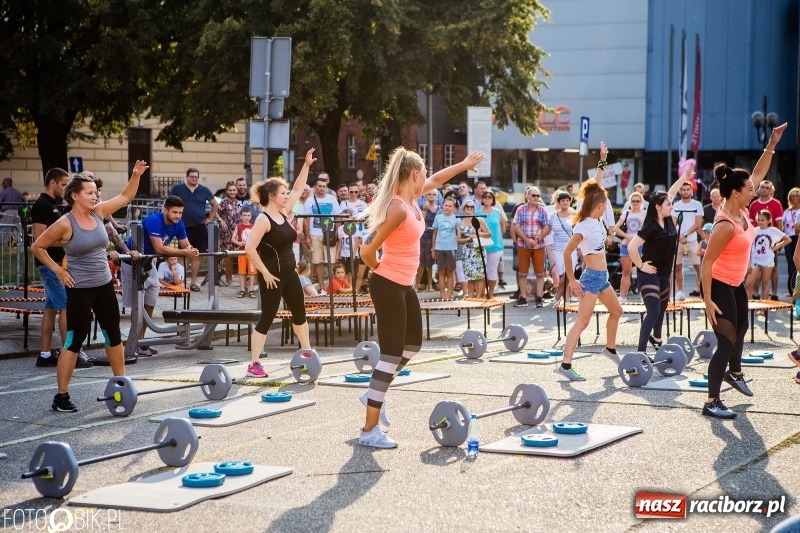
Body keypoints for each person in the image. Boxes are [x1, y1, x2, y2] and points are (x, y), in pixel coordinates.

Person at [357, 147, 484, 448]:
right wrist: (380, 269)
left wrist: (464, 164)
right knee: (390, 355)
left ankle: (376, 390)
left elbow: (438, 178)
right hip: (389, 284)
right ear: (414, 174)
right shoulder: (398, 208)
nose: (427, 176)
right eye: (424, 172)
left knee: (412, 345)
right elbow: (366, 251)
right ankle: (369, 430)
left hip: (404, 285)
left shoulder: (412, 199)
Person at [31, 161, 147, 412]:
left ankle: (121, 384)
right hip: (79, 289)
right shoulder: (65, 223)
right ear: (75, 195)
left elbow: (126, 196)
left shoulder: (98, 212)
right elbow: (37, 246)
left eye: (96, 192)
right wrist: (58, 270)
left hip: (103, 285)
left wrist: (136, 175)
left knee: (112, 334)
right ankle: (61, 396)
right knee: (74, 340)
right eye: (90, 192)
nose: (95, 196)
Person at [700, 122, 786, 419]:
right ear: (736, 193)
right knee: (725, 342)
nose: (754, 191)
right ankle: (711, 401)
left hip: (736, 283)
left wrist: (772, 143)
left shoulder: (741, 210)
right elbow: (706, 263)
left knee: (742, 329)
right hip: (719, 284)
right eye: (749, 189)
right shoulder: (725, 224)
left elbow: (758, 173)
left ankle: (734, 373)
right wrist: (707, 300)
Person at [244, 149, 316, 378]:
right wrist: (265, 273)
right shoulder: (263, 219)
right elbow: (249, 249)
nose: (286, 196)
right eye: (282, 193)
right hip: (272, 276)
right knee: (267, 317)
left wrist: (306, 165)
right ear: (272, 196)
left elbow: (298, 189)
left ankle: (307, 353)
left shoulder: (284, 212)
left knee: (300, 313)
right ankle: (254, 363)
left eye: (286, 193)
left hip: (290, 273)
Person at [556, 144, 623, 382]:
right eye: (605, 203)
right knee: (582, 323)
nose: (606, 205)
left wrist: (603, 159)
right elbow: (567, 252)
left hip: (602, 278)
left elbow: (596, 184)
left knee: (617, 311)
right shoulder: (584, 225)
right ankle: (565, 365)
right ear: (600, 205)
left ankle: (610, 349)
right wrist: (572, 281)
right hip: (590, 278)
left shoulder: (597, 219)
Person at [627, 165, 695, 354]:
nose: (671, 206)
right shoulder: (650, 227)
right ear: (658, 207)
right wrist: (641, 265)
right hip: (649, 273)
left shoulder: (667, 220)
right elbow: (632, 247)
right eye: (668, 205)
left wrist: (685, 176)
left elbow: (671, 192)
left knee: (662, 309)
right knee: (654, 311)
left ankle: (656, 339)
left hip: (664, 273)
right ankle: (640, 353)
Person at [121, 195, 200, 355]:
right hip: (132, 262)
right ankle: (133, 342)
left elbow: (185, 244)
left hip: (149, 262)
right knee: (137, 303)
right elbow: (160, 249)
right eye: (175, 212)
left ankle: (141, 342)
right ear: (165, 210)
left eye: (180, 213)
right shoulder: (154, 220)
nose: (178, 216)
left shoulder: (179, 223)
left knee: (150, 301)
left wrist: (191, 250)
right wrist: (184, 252)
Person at [32, 169, 90, 369]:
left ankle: (45, 354)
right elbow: (39, 239)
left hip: (56, 263)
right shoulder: (42, 205)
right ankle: (71, 353)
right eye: (63, 184)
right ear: (53, 183)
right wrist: (68, 241)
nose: (65, 188)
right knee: (66, 307)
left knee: (50, 309)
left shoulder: (53, 204)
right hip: (51, 265)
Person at [169, 168, 218, 291]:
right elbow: (168, 203)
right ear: (187, 176)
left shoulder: (204, 190)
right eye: (192, 176)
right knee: (183, 254)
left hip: (200, 226)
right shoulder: (178, 189)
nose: (194, 179)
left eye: (196, 177)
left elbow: (214, 204)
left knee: (197, 255)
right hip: (182, 227)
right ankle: (182, 281)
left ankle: (193, 283)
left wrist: (210, 218)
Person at [512, 186, 551, 307]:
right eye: (533, 195)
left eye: (538, 196)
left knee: (540, 273)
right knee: (522, 273)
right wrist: (526, 239)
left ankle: (539, 298)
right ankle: (523, 298)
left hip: (539, 245)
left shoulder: (543, 210)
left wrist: (539, 238)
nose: (536, 198)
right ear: (527, 196)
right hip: (523, 243)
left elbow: (548, 226)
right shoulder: (520, 209)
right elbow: (516, 225)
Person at [303, 174, 342, 288]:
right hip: (315, 234)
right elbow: (306, 220)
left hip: (329, 234)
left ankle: (332, 287)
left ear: (326, 187)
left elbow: (337, 216)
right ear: (315, 187)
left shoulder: (332, 199)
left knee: (331, 262)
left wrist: (337, 232)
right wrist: (307, 237)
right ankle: (322, 288)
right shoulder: (310, 200)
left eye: (324, 186)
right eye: (319, 186)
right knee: (317, 261)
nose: (321, 188)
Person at [748, 179, 784, 300]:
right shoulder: (753, 204)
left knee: (773, 269)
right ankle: (755, 293)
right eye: (762, 187)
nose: (764, 190)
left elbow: (779, 224)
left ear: (771, 190)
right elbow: (750, 224)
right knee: (755, 271)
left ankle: (774, 293)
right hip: (756, 240)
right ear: (759, 189)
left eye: (767, 188)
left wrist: (777, 243)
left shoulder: (776, 204)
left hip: (770, 240)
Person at [746, 210, 790, 300]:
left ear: (769, 220)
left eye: (762, 220)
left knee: (765, 284)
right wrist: (748, 262)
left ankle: (764, 306)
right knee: (748, 284)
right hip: (755, 260)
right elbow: (749, 245)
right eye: (758, 220)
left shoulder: (773, 230)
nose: (760, 222)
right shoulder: (754, 231)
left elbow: (788, 239)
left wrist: (775, 247)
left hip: (767, 260)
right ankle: (748, 305)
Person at [612, 191, 646, 301]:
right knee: (626, 271)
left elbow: (648, 229)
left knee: (642, 271)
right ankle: (623, 296)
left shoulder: (645, 214)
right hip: (626, 244)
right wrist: (627, 236)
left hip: (640, 245)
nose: (635, 203)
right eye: (633, 201)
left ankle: (644, 296)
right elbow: (616, 228)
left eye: (637, 201)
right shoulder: (626, 213)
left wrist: (637, 238)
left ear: (641, 202)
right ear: (630, 202)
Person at [458, 199, 491, 298]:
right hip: (467, 251)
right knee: (470, 276)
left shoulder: (478, 219)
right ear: (464, 208)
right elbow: (458, 240)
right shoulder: (460, 222)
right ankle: (471, 297)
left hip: (478, 250)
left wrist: (478, 233)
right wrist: (467, 239)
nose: (469, 208)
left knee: (479, 276)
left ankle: (478, 298)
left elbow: (489, 234)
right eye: (467, 206)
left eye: (471, 207)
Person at [549, 190, 576, 305]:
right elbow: (548, 228)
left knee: (568, 274)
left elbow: (579, 232)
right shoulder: (553, 216)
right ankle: (566, 299)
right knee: (561, 274)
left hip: (572, 248)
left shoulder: (575, 215)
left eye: (567, 201)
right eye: (563, 201)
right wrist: (540, 235)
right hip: (558, 248)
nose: (565, 203)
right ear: (558, 202)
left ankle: (557, 297)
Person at [480, 190, 506, 299]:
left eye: (489, 197)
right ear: (482, 199)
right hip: (481, 246)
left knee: (492, 270)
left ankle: (490, 293)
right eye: (485, 197)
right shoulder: (477, 212)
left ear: (493, 200)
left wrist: (499, 236)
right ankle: (481, 293)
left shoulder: (497, 212)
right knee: (482, 271)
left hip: (496, 245)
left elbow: (503, 224)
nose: (487, 198)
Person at [431, 197, 458, 300]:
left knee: (450, 272)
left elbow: (458, 233)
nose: (447, 207)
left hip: (451, 248)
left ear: (453, 208)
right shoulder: (438, 218)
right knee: (441, 272)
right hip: (439, 248)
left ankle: (449, 295)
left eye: (450, 206)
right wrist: (433, 248)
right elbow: (434, 233)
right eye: (446, 205)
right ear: (443, 206)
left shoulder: (455, 219)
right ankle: (442, 295)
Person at [217, 181, 240, 287]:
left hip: (235, 232)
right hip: (226, 233)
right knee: (228, 255)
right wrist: (221, 220)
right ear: (226, 191)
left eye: (234, 190)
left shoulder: (237, 202)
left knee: (234, 254)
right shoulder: (224, 202)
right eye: (230, 190)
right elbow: (215, 212)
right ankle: (228, 279)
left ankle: (230, 276)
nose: (232, 192)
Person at [232, 207, 258, 298]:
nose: (246, 217)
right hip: (242, 251)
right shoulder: (238, 226)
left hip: (251, 252)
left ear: (251, 216)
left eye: (248, 215)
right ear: (241, 216)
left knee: (252, 271)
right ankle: (242, 289)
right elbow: (233, 238)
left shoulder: (253, 227)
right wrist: (239, 243)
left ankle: (251, 289)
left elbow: (257, 238)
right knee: (242, 271)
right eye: (244, 215)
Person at [416, 191, 439, 292]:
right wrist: (425, 210)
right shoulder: (422, 207)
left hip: (434, 236)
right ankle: (416, 285)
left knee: (431, 262)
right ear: (426, 196)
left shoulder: (439, 209)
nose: (431, 196)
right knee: (421, 262)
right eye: (429, 194)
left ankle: (430, 285)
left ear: (436, 196)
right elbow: (420, 221)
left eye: (434, 194)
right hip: (423, 235)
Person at [781, 187, 800, 296]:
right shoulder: (787, 211)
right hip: (789, 237)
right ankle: (792, 287)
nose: (795, 198)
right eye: (792, 196)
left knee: (798, 261)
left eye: (797, 196)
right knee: (790, 261)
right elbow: (783, 226)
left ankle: (797, 288)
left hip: (798, 237)